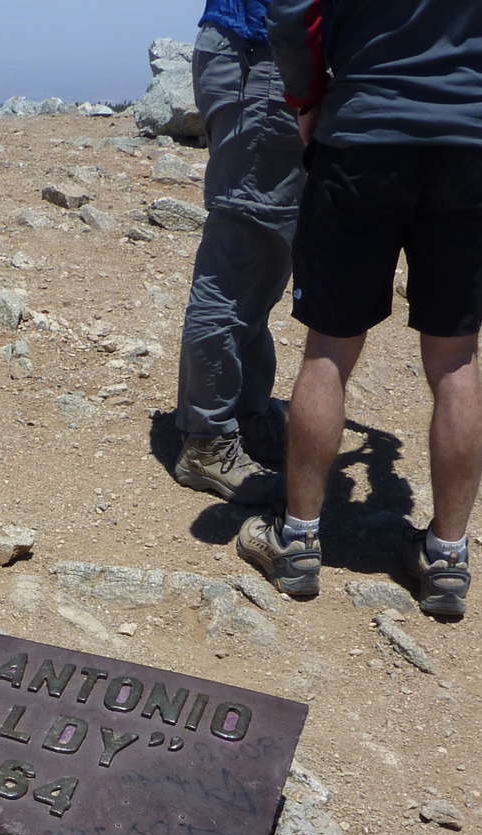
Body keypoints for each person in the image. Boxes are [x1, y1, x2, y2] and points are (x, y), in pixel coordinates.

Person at [240, 0, 482, 619]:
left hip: (366, 132)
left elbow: (291, 9)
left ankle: (297, 539)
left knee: (329, 349)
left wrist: (305, 98)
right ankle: (446, 556)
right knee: (456, 358)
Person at [169, 0, 305, 503]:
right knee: (240, 258)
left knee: (264, 261)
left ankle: (244, 414)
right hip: (263, 57)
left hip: (267, 54)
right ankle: (208, 438)